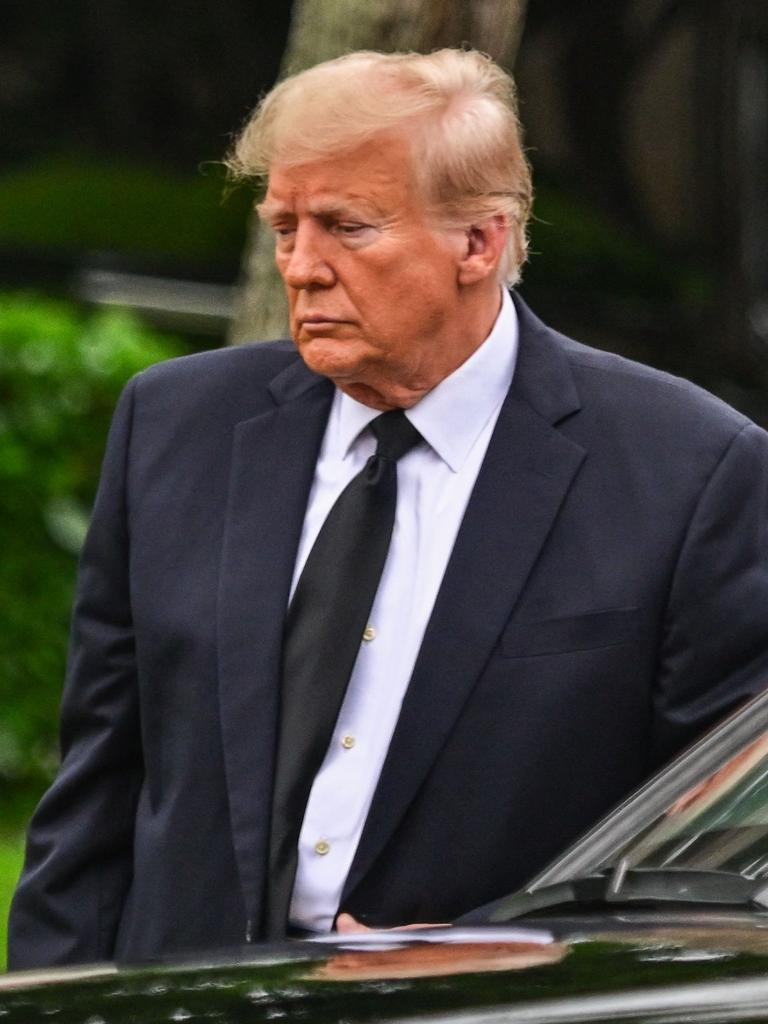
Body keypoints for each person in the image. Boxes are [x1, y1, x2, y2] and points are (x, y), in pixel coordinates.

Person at [8, 48, 768, 968]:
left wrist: (512, 954)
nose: (301, 267)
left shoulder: (689, 470)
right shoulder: (176, 425)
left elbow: (719, 855)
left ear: (480, 242)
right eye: (284, 226)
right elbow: (96, 794)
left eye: (346, 227)